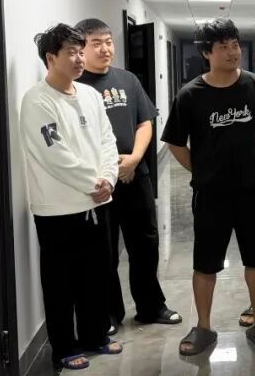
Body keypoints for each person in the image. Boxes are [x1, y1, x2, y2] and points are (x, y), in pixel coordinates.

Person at [161, 18, 255, 355]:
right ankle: (203, 327)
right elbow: (175, 143)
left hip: (251, 189)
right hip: (210, 193)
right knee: (205, 263)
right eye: (223, 47)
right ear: (206, 53)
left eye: (235, 45)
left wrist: (248, 156)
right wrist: (201, 169)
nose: (232, 52)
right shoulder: (190, 95)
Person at [20, 23, 125, 371]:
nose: (80, 58)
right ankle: (64, 347)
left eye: (81, 51)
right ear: (51, 57)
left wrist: (108, 178)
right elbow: (54, 155)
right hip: (58, 209)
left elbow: (108, 140)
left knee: (97, 274)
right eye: (72, 52)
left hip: (97, 201)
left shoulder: (90, 96)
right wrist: (95, 183)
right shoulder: (37, 101)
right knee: (60, 282)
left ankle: (96, 336)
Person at [75, 18, 182, 331]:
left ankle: (151, 306)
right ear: (81, 48)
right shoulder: (77, 87)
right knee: (104, 250)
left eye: (108, 42)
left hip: (136, 176)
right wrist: (110, 171)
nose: (105, 49)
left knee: (145, 243)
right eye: (96, 43)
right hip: (99, 183)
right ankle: (109, 314)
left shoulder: (128, 79)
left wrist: (134, 159)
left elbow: (145, 122)